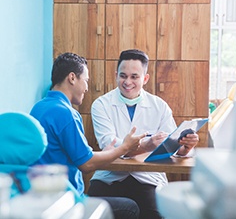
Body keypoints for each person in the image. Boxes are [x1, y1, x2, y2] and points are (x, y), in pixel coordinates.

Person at [30, 52, 147, 219]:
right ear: (72, 78)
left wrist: (107, 153)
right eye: (85, 81)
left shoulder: (40, 107)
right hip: (66, 200)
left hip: (42, 196)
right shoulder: (66, 114)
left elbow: (75, 155)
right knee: (130, 208)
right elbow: (87, 165)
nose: (86, 87)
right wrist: (124, 147)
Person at [87, 49, 199, 219]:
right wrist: (146, 146)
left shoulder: (159, 106)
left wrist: (185, 146)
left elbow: (173, 147)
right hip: (109, 177)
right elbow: (108, 146)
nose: (127, 82)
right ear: (116, 75)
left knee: (154, 214)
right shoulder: (101, 105)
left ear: (145, 79)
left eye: (134, 77)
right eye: (123, 76)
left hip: (147, 179)